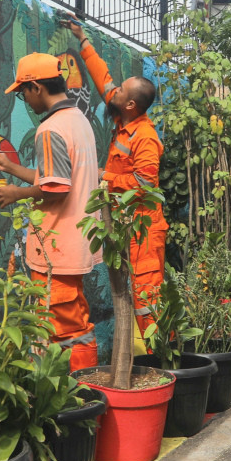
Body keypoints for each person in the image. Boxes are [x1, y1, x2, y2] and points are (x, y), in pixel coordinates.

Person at [0, 53, 102, 369]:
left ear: (36, 87)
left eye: (23, 92)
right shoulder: (78, 120)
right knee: (69, 324)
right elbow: (56, 177)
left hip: (58, 250)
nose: (24, 99)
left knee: (69, 331)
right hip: (75, 243)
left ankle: (82, 397)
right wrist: (13, 168)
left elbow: (56, 189)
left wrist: (15, 193)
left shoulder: (51, 129)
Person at [66, 20, 167, 335]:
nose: (114, 90)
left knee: (148, 303)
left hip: (144, 231)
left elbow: (146, 185)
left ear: (131, 105)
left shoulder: (145, 137)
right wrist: (83, 41)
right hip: (128, 226)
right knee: (135, 300)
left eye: (121, 90)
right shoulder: (124, 115)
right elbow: (103, 79)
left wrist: (104, 176)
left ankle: (168, 361)